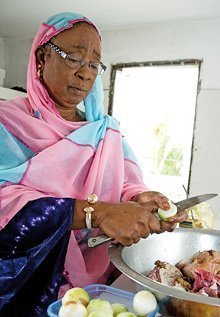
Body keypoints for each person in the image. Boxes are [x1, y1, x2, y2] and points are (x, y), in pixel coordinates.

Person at [0, 12, 187, 316]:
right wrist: (96, 213)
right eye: (74, 58)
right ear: (42, 58)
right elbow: (5, 205)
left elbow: (124, 181)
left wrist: (139, 198)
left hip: (96, 287)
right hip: (31, 284)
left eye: (93, 64)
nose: (85, 73)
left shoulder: (105, 131)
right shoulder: (6, 125)